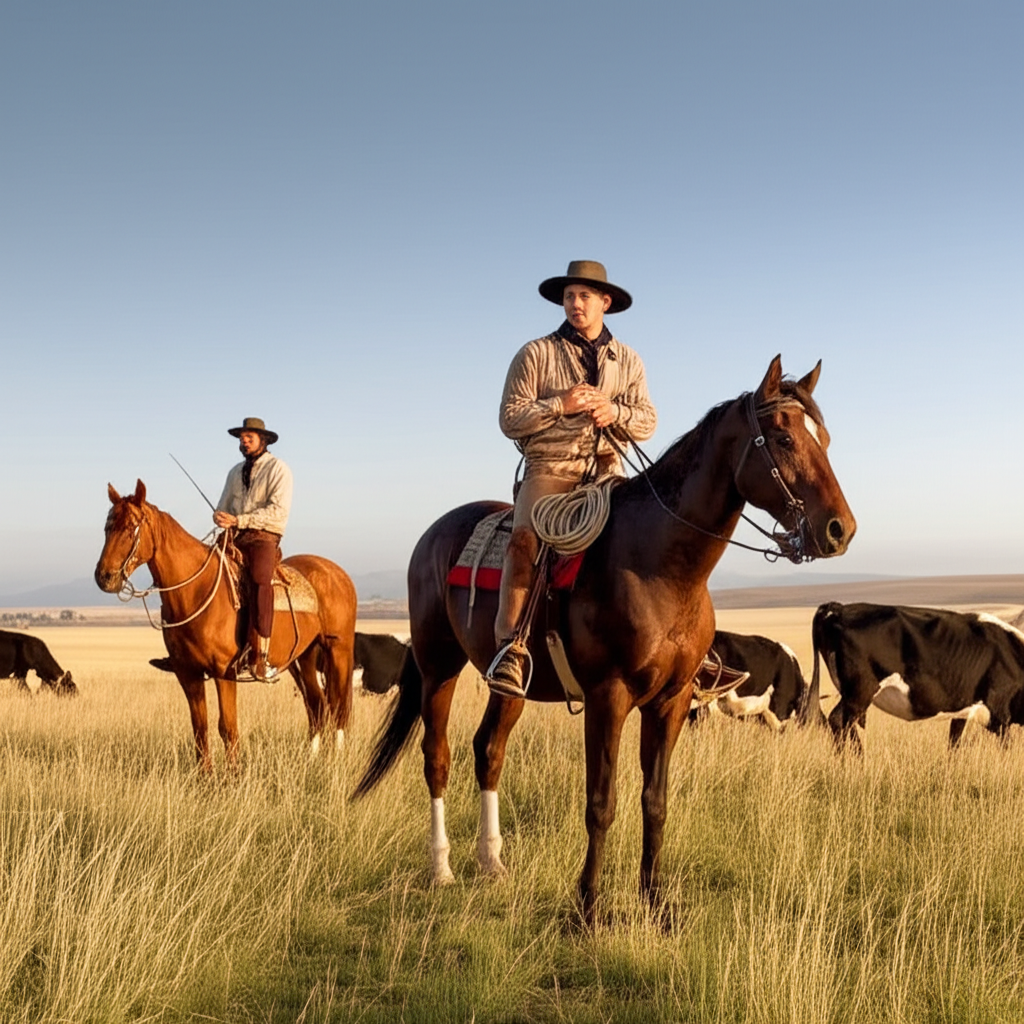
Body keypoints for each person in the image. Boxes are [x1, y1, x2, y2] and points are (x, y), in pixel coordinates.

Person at [487, 260, 657, 698]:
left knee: (655, 538)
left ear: (606, 302)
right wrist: (560, 405)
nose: (575, 304)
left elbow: (648, 420)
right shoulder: (536, 353)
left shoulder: (629, 360)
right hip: (551, 469)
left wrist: (614, 411)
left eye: (584, 296)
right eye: (569, 297)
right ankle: (511, 646)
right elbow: (509, 418)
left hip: (608, 472)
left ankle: (674, 643)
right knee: (524, 541)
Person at [213, 417, 293, 682]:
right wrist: (221, 517)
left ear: (264, 440)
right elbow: (223, 504)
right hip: (235, 536)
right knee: (204, 569)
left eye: (249, 438)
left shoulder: (279, 470)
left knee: (260, 580)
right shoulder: (234, 472)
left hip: (263, 536)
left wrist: (240, 520)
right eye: (241, 438)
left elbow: (277, 511)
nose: (243, 442)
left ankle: (261, 656)